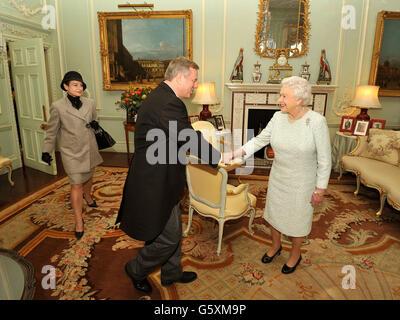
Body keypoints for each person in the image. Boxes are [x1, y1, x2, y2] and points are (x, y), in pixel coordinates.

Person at [116, 57, 221, 294]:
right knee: (168, 237)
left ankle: (171, 272)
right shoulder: (169, 103)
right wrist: (218, 158)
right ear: (180, 76)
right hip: (153, 182)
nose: (195, 86)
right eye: (193, 81)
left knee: (170, 228)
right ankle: (136, 269)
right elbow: (188, 137)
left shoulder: (163, 97)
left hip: (164, 179)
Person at [222, 76, 331, 274]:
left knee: (297, 219)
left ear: (299, 99)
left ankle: (295, 253)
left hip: (303, 182)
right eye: (280, 95)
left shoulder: (317, 121)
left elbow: (325, 159)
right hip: (279, 177)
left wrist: (320, 188)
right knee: (274, 215)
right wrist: (234, 153)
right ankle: (275, 245)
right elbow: (259, 141)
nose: (279, 99)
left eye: (284, 96)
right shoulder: (278, 118)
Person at [42, 71, 103, 240]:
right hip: (71, 152)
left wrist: (95, 124)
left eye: (81, 85)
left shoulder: (90, 103)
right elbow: (52, 130)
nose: (79, 88)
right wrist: (46, 150)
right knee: (76, 183)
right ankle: (78, 221)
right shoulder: (58, 106)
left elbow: (95, 122)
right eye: (75, 85)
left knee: (89, 175)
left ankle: (88, 196)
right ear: (66, 86)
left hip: (89, 148)